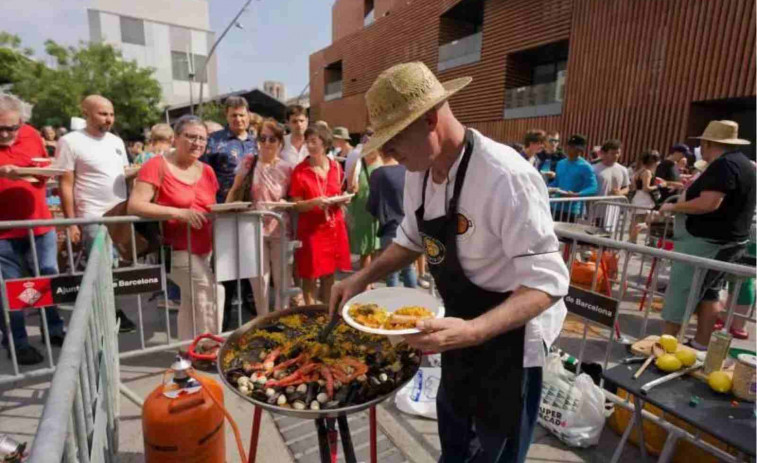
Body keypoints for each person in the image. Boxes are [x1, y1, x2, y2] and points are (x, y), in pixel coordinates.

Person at [330, 62, 569, 463]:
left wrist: (474, 331)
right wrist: (362, 277)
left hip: (510, 345)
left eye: (392, 140)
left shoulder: (506, 177)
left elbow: (547, 284)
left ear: (429, 120)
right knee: (456, 441)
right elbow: (410, 240)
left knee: (495, 450)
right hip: (457, 329)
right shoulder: (419, 172)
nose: (386, 153)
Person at [659, 120, 756, 350]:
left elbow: (709, 203)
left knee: (680, 296)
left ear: (708, 142)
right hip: (727, 241)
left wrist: (673, 207)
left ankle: (666, 347)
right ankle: (701, 344)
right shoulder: (743, 164)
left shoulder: (723, 166)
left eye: (702, 143)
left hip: (707, 243)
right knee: (710, 293)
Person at [128, 115, 225, 341]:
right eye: (191, 136)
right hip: (172, 249)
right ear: (176, 138)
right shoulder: (156, 165)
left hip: (203, 247)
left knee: (191, 300)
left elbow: (210, 205)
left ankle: (185, 350)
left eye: (202, 138)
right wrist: (178, 212)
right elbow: (136, 204)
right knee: (209, 291)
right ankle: (210, 347)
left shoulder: (207, 171)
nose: (197, 143)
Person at [55, 95, 136, 332]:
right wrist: (72, 223)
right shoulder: (69, 142)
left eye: (111, 114)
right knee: (101, 268)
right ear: (86, 113)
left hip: (120, 215)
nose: (109, 119)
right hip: (92, 216)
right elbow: (65, 184)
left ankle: (111, 311)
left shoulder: (116, 141)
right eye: (103, 114)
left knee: (116, 268)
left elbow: (120, 173)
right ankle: (109, 315)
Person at [0, 93, 66, 365]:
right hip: (3, 233)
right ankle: (18, 342)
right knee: (11, 291)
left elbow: (41, 167)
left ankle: (53, 329)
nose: (5, 133)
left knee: (47, 279)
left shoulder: (31, 134)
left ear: (21, 122)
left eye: (11, 127)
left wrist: (46, 170)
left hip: (39, 225)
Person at [226, 120, 294, 314]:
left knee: (282, 279)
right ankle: (263, 320)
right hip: (252, 228)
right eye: (263, 138)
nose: (266, 143)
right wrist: (225, 214)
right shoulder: (248, 161)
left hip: (281, 228)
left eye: (272, 139)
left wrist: (284, 200)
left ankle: (282, 319)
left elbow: (294, 197)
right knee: (259, 279)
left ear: (280, 142)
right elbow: (235, 189)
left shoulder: (288, 168)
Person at [202, 96, 257, 328]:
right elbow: (203, 172)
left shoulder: (256, 142)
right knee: (224, 266)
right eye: (233, 115)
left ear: (248, 115)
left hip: (251, 212)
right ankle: (223, 321)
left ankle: (251, 312)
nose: (238, 119)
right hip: (222, 211)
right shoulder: (214, 141)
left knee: (249, 262)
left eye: (242, 114)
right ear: (226, 115)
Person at [290, 125, 351, 305]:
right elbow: (296, 204)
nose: (309, 145)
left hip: (333, 227)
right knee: (309, 275)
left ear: (324, 144)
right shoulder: (300, 170)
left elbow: (339, 192)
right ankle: (311, 314)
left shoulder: (336, 167)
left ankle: (327, 311)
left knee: (330, 274)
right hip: (311, 230)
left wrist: (342, 200)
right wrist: (314, 203)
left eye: (313, 141)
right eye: (307, 141)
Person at [368, 149, 417, 287]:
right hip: (409, 225)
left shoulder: (378, 174)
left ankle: (394, 306)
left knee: (391, 272)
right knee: (408, 268)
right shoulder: (408, 170)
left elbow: (372, 204)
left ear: (381, 153)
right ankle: (416, 304)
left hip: (390, 226)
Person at [347, 145, 382, 274]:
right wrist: (352, 186)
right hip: (362, 211)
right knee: (365, 250)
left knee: (376, 247)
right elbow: (350, 187)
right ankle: (366, 280)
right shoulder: (358, 164)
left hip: (378, 211)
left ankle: (372, 277)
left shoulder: (382, 162)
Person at [549, 134, 598, 222]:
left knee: (568, 236)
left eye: (573, 147)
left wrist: (577, 194)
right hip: (555, 206)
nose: (569, 149)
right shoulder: (561, 163)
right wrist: (547, 187)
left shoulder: (586, 166)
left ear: (580, 150)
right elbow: (557, 182)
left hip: (573, 210)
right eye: (568, 145)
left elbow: (593, 187)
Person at [592, 139, 629, 229]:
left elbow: (627, 188)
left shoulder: (623, 170)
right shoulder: (594, 169)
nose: (616, 156)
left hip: (613, 211)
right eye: (613, 153)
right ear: (604, 153)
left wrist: (620, 192)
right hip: (596, 210)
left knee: (607, 238)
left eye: (618, 153)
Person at [628, 151, 664, 243]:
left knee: (636, 222)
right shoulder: (647, 172)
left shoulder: (639, 171)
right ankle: (632, 243)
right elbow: (646, 188)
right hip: (644, 200)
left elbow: (634, 187)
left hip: (638, 198)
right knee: (641, 222)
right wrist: (660, 186)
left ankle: (632, 242)